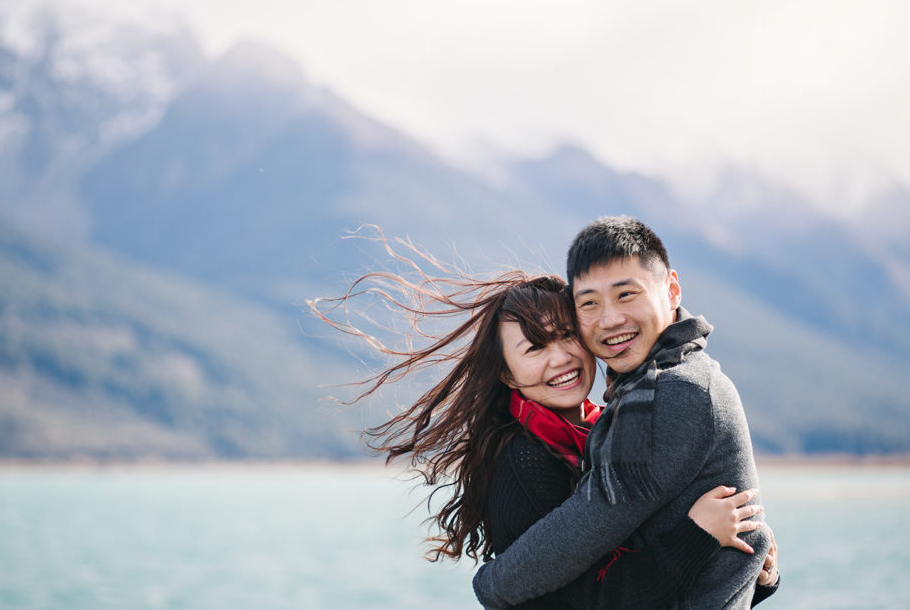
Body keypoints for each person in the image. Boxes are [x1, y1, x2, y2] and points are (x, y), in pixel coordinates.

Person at [310, 229, 778, 608]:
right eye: (535, 348)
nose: (561, 359)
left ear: (671, 289)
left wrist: (748, 569)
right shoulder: (526, 458)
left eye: (565, 336)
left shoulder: (645, 401)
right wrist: (701, 542)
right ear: (508, 377)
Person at [472, 216, 774, 608]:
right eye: (590, 304)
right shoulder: (640, 392)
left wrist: (490, 584)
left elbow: (594, 520)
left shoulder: (672, 392)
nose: (610, 319)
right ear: (506, 374)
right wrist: (738, 558)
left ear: (672, 290)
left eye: (626, 294)